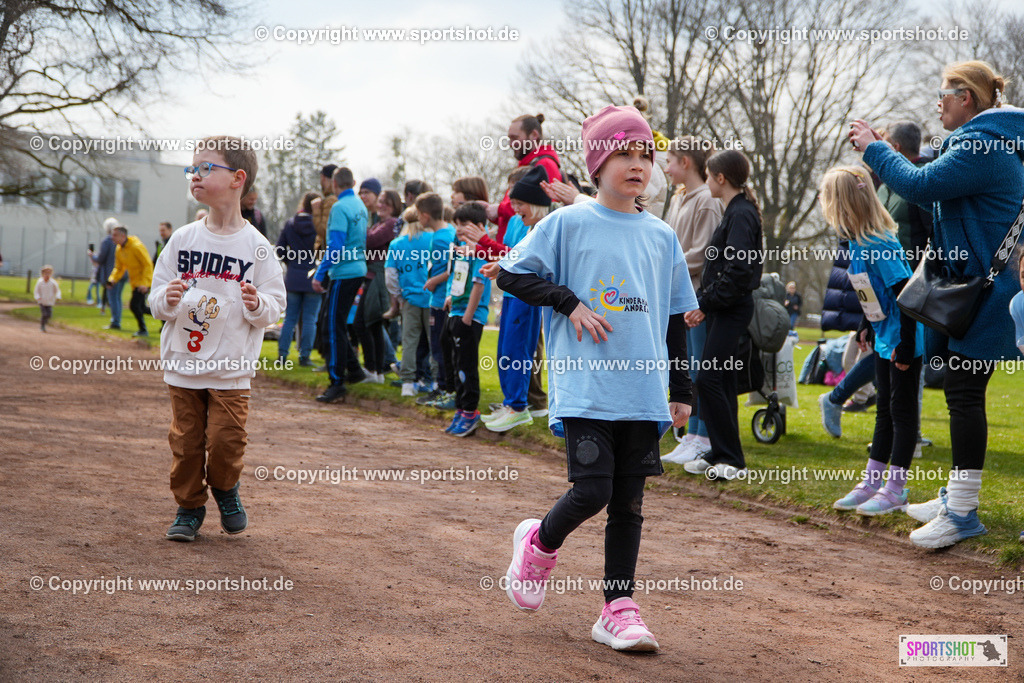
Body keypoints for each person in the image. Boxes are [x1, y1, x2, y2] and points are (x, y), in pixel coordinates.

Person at [496, 104, 695, 653]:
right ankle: (539, 544)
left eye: (645, 155)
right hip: (586, 386)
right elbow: (511, 274)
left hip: (643, 392)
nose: (637, 164)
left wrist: (681, 390)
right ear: (598, 164)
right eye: (623, 154)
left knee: (628, 504)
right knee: (593, 490)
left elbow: (674, 318)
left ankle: (617, 609)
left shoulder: (661, 236)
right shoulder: (568, 222)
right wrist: (568, 301)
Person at [850, 60, 1024, 548]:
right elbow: (939, 199)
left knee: (964, 394)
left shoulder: (982, 143)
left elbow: (922, 186)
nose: (938, 104)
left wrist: (877, 150)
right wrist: (888, 161)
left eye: (943, 95)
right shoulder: (992, 141)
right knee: (962, 392)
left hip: (983, 294)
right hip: (983, 290)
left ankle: (963, 511)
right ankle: (957, 497)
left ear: (965, 97)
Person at [148, 135, 286, 541]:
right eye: (192, 168)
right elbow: (156, 296)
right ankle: (189, 507)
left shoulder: (257, 247)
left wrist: (257, 304)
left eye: (206, 168)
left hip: (231, 367)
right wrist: (167, 299)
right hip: (183, 363)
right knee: (186, 443)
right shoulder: (183, 239)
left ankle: (226, 487)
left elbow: (276, 305)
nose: (195, 174)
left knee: (226, 442)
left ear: (237, 179)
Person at [818, 166, 924, 516]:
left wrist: (905, 346)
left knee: (902, 414)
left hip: (902, 340)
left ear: (843, 203)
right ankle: (872, 482)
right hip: (883, 337)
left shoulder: (880, 243)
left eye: (827, 198)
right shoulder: (859, 243)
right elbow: (873, 289)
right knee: (884, 412)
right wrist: (866, 323)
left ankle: (896, 489)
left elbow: (906, 295)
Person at [681, 149, 764, 480]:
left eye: (708, 176)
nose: (706, 182)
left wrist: (705, 304)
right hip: (724, 308)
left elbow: (738, 271)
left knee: (709, 378)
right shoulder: (735, 210)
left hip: (732, 309)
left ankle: (731, 459)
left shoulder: (741, 213)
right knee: (722, 380)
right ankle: (720, 452)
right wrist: (706, 302)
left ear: (720, 178)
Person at [660, 136, 721, 464]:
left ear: (685, 161)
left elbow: (704, 252)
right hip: (677, 296)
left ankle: (702, 436)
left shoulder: (707, 200)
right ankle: (691, 436)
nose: (666, 168)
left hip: (696, 297)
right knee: (686, 366)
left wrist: (665, 267)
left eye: (670, 161)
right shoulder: (678, 198)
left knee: (699, 368)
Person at [480, 166, 550, 432]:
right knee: (505, 350)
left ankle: (519, 406)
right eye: (514, 202)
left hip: (527, 297)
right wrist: (498, 264)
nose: (515, 208)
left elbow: (526, 259)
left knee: (519, 350)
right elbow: (512, 253)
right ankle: (511, 403)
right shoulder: (519, 223)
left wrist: (501, 262)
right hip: (511, 294)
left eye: (520, 203)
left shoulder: (544, 227)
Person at [312, 167, 369, 403]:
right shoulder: (360, 205)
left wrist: (319, 274)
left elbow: (335, 247)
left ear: (335, 183)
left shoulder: (339, 207)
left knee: (331, 326)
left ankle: (337, 382)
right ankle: (354, 370)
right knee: (338, 323)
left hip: (343, 272)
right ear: (353, 183)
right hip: (358, 268)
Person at [442, 201, 492, 436]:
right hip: (456, 312)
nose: (459, 229)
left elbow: (479, 285)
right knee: (456, 364)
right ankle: (461, 408)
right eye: (457, 224)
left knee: (466, 365)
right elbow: (457, 277)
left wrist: (467, 318)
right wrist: (450, 297)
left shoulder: (480, 251)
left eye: (464, 224)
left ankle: (470, 411)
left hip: (469, 317)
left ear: (480, 226)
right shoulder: (461, 247)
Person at [385, 201, 435, 396]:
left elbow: (390, 276)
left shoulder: (397, 244)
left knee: (409, 342)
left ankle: (407, 383)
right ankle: (435, 382)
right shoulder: (432, 239)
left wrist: (399, 296)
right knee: (434, 342)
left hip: (410, 298)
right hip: (431, 297)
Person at [355, 189, 401, 381]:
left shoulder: (392, 224)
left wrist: (359, 228)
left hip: (378, 277)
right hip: (371, 275)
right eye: (380, 201)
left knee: (365, 322)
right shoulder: (379, 223)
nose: (381, 205)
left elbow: (369, 241)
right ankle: (376, 371)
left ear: (394, 206)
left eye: (385, 203)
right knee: (373, 323)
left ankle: (373, 369)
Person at [276, 191, 321, 366]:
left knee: (289, 319)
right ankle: (305, 356)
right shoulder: (319, 226)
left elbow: (280, 249)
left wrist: (292, 262)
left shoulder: (290, 224)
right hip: (314, 277)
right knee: (310, 319)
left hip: (293, 277)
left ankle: (282, 355)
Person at [420, 193, 455, 397]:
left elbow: (451, 269)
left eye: (418, 214)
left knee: (439, 346)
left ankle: (442, 386)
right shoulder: (447, 231)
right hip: (441, 299)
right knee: (440, 345)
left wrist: (433, 281)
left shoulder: (441, 238)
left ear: (425, 215)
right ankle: (442, 385)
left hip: (441, 300)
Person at [107, 225, 154, 337]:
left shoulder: (136, 246)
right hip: (135, 283)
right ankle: (163, 317)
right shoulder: (119, 249)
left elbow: (148, 265)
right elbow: (119, 268)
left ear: (123, 236)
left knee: (134, 306)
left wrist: (145, 284)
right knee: (141, 308)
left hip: (142, 282)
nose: (112, 237)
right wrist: (112, 279)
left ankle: (143, 329)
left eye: (115, 235)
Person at [93, 218, 124, 325]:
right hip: (121, 273)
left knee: (113, 298)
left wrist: (92, 256)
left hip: (111, 274)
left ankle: (115, 321)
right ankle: (117, 320)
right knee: (117, 298)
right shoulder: (122, 241)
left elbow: (100, 258)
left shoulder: (107, 241)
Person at [34, 265, 61, 332]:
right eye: (46, 273)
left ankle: (45, 321)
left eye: (49, 273)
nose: (47, 275)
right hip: (42, 301)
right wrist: (38, 297)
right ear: (42, 274)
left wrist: (58, 296)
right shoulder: (40, 282)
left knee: (49, 315)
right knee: (44, 314)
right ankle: (42, 326)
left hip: (49, 301)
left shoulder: (53, 282)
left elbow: (57, 290)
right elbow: (36, 291)